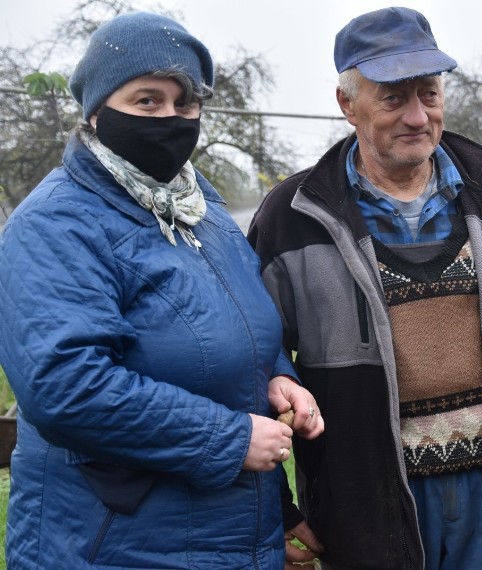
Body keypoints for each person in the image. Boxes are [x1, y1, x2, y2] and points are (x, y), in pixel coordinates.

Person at [250, 6, 482, 569]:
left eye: (428, 94)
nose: (417, 116)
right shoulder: (295, 218)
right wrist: (277, 511)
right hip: (367, 513)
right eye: (392, 98)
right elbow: (255, 362)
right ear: (347, 105)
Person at [0, 11, 324, 569]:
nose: (170, 118)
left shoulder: (204, 210)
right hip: (114, 543)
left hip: (230, 534)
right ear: (98, 111)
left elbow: (242, 324)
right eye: (147, 100)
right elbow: (65, 387)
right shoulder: (56, 224)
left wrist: (277, 376)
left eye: (185, 101)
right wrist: (227, 439)